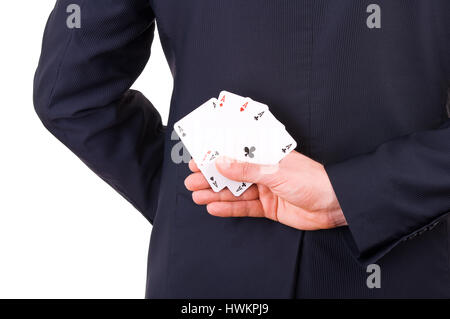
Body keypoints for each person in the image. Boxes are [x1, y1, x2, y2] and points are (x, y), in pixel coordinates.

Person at [34, 0, 450, 298]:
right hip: (410, 261)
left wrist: (187, 195)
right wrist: (358, 194)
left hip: (211, 273)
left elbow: (69, 96)